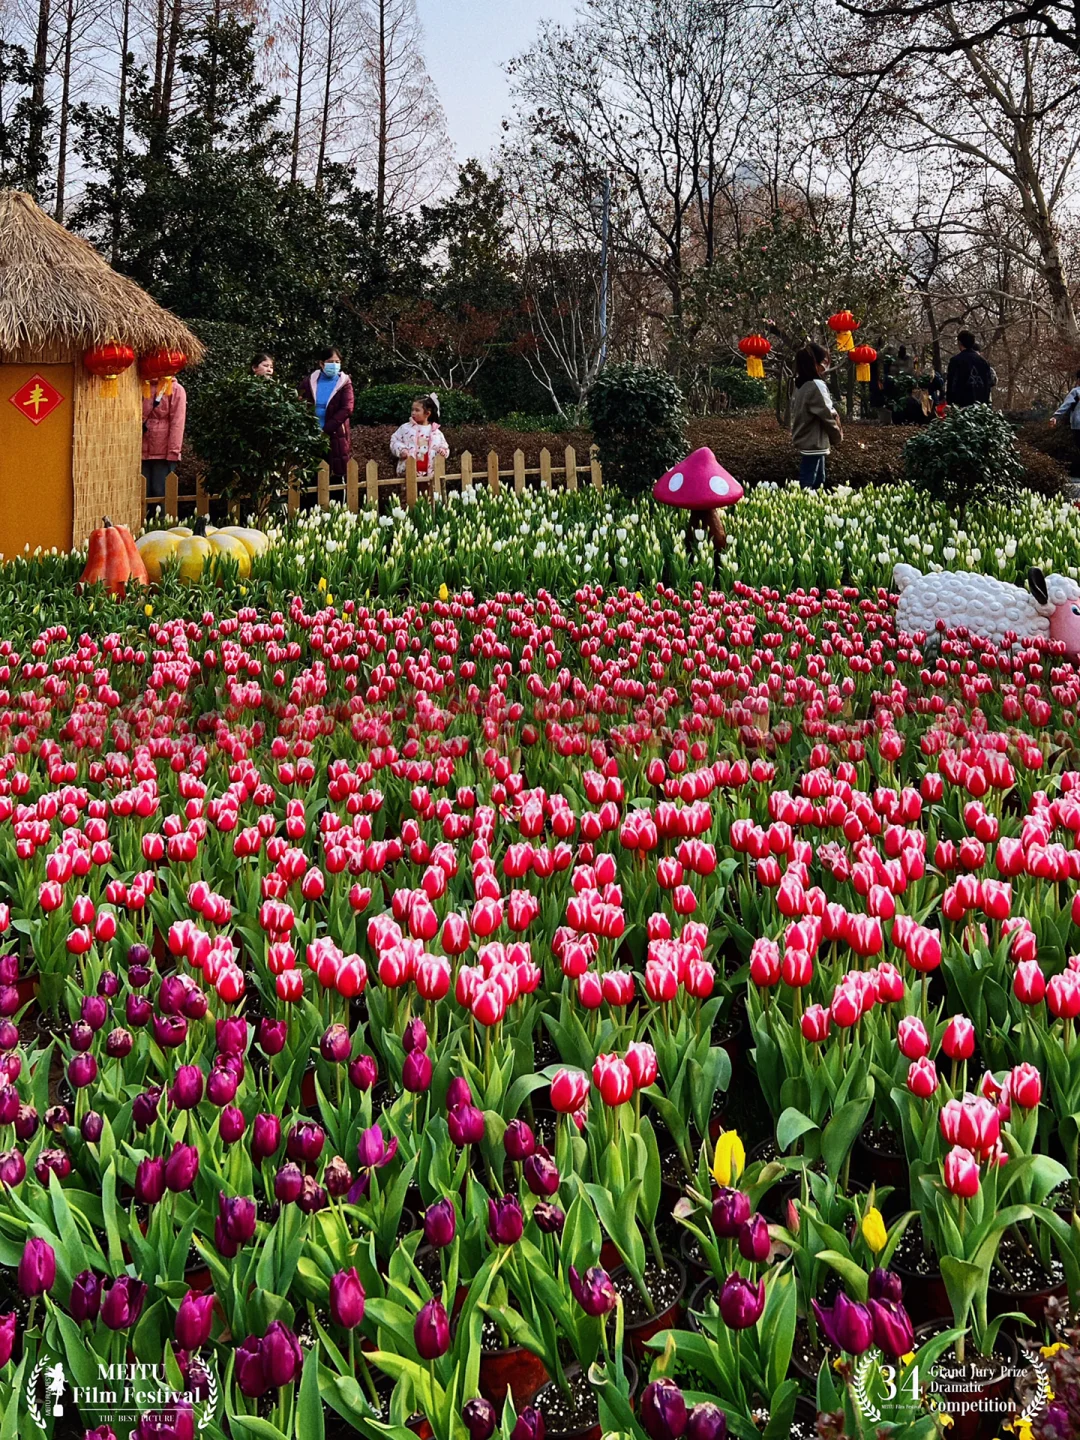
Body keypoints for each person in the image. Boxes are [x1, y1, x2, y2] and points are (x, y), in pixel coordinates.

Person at [299, 347, 354, 499]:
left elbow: (347, 408)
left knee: (336, 475)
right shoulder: (309, 382)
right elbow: (300, 402)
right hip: (311, 436)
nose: (334, 365)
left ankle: (337, 508)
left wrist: (327, 429)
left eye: (337, 362)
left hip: (335, 435)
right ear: (321, 363)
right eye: (330, 362)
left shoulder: (344, 383)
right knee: (311, 476)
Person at [790, 343, 843, 489]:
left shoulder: (800, 384)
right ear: (815, 363)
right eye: (823, 361)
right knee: (811, 481)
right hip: (815, 440)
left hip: (805, 438)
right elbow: (828, 414)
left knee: (817, 478)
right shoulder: (816, 385)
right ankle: (805, 502)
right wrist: (837, 435)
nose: (825, 365)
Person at [142, 376, 187, 504]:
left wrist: (173, 452)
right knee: (142, 492)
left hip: (162, 451)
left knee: (160, 492)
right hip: (141, 448)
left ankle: (162, 517)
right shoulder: (143, 385)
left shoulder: (176, 389)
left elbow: (177, 423)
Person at [390, 393, 450, 479]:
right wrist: (401, 450)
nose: (413, 413)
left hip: (430, 476)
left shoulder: (436, 432)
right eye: (412, 410)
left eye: (417, 410)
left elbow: (445, 447)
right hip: (408, 473)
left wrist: (443, 452)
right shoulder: (405, 428)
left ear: (427, 414)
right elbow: (394, 441)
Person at [946, 331, 996, 408]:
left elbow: (951, 383)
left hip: (960, 405)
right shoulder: (984, 362)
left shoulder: (955, 361)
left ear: (959, 343)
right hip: (980, 406)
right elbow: (987, 384)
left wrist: (950, 402)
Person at [1050, 367, 1080, 476]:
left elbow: (1066, 405)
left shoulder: (1076, 392)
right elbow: (1066, 405)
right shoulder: (1076, 392)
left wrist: (1055, 416)